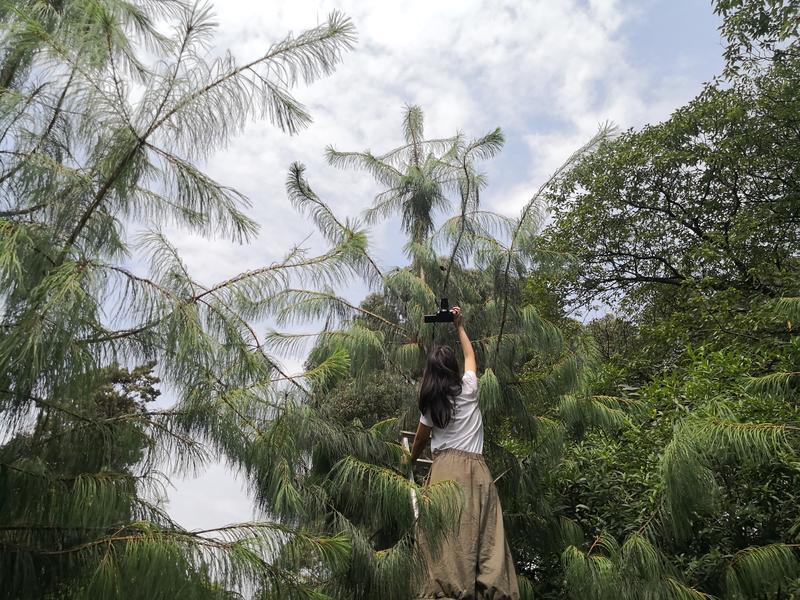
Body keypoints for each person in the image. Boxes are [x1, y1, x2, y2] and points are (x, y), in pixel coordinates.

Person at [410, 306, 520, 599]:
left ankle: (445, 594)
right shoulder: (469, 388)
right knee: (488, 539)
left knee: (447, 543)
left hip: (446, 472)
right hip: (478, 472)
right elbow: (471, 357)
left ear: (430, 373)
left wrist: (408, 461)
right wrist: (459, 326)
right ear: (453, 369)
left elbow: (419, 443)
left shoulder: (432, 405)